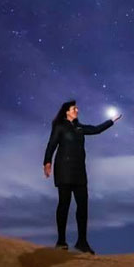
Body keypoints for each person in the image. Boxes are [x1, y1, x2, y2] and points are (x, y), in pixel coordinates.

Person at [43, 99, 121, 255]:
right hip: (64, 170)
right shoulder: (60, 126)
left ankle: (82, 242)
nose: (77, 110)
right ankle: (61, 241)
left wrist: (112, 121)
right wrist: (47, 162)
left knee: (83, 206)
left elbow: (96, 129)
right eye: (74, 108)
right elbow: (51, 144)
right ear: (67, 111)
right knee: (64, 204)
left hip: (79, 172)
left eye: (77, 108)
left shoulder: (79, 127)